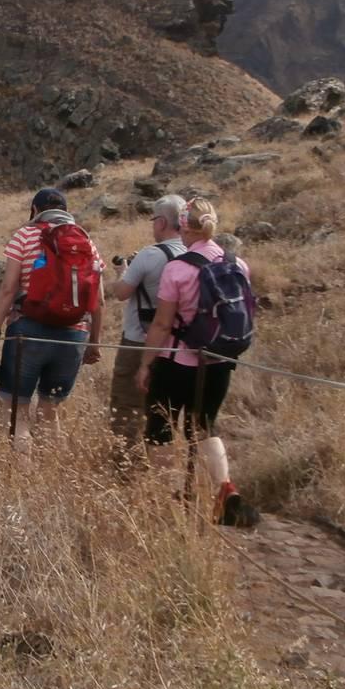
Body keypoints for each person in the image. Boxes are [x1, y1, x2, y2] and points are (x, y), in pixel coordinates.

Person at [134, 197, 257, 526]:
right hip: (219, 361)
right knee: (204, 427)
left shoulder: (178, 269)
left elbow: (161, 324)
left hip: (177, 361)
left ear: (184, 227)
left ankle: (167, 499)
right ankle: (225, 490)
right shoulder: (237, 264)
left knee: (160, 428)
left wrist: (146, 363)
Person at [0, 187, 105, 443]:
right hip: (74, 333)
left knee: (16, 409)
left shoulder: (24, 236)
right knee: (50, 411)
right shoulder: (85, 240)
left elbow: (8, 289)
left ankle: (22, 477)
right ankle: (51, 470)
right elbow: (99, 299)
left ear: (35, 210)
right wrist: (93, 342)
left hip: (28, 330)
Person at [106, 195, 186, 449]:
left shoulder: (150, 255)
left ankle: (127, 466)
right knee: (161, 407)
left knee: (126, 405)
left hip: (139, 339)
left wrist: (123, 272)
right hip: (177, 346)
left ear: (162, 222)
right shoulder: (192, 252)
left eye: (154, 220)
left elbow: (121, 293)